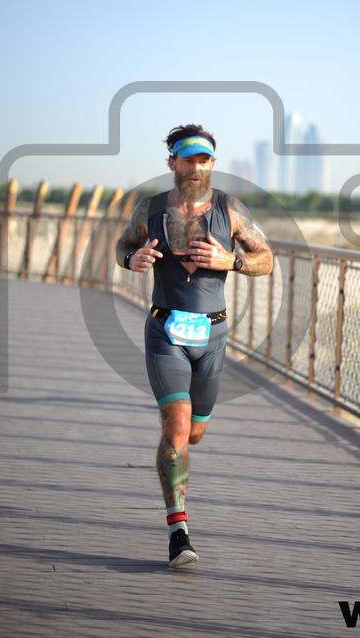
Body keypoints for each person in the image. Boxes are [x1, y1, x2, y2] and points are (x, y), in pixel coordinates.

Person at [116, 123, 273, 568]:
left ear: (212, 163)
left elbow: (266, 259)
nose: (197, 167)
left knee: (195, 432)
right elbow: (124, 245)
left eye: (205, 160)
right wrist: (131, 258)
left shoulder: (230, 209)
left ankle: (184, 448)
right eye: (189, 159)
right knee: (177, 427)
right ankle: (178, 532)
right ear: (173, 162)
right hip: (165, 331)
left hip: (213, 336)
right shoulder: (149, 208)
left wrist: (232, 261)